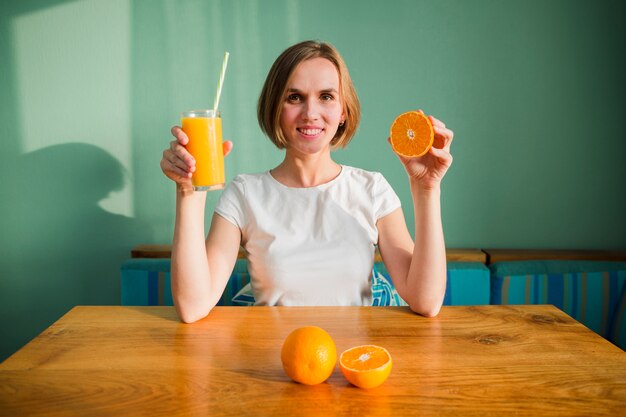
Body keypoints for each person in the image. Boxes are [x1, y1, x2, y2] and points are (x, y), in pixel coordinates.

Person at [160, 40, 454, 323]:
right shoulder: (245, 194)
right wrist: (189, 190)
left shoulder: (372, 189)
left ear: (343, 112)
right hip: (272, 365)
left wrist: (426, 189)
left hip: (352, 366)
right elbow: (192, 306)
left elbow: (425, 301)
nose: (310, 113)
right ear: (276, 109)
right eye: (294, 97)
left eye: (326, 97)